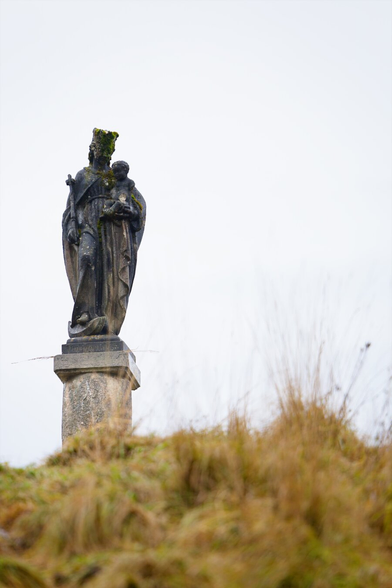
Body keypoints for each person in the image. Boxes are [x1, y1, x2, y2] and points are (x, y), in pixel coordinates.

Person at [62, 129, 146, 337]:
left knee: (109, 272)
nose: (103, 156)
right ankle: (85, 314)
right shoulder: (84, 176)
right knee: (86, 259)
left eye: (107, 153)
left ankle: (107, 315)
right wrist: (72, 226)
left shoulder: (116, 178)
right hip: (89, 225)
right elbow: (70, 208)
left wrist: (131, 210)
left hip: (112, 233)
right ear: (92, 151)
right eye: (99, 152)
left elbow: (137, 204)